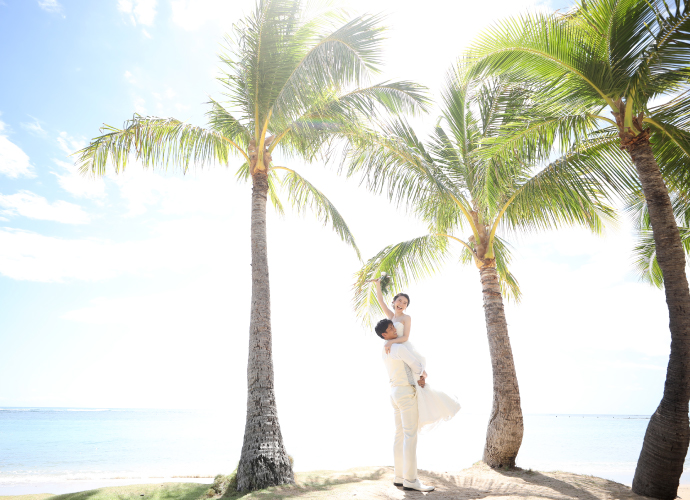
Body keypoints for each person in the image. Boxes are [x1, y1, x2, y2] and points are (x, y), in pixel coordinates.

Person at [371, 279, 461, 433]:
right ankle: (418, 404)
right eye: (399, 300)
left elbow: (405, 337)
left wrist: (390, 342)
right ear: (394, 302)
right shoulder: (391, 316)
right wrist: (377, 284)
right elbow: (380, 301)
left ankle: (426, 399)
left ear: (406, 306)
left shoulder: (406, 318)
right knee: (412, 380)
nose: (401, 304)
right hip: (397, 351)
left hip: (404, 347)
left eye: (405, 303)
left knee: (416, 379)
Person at [375, 318, 435, 492]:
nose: (395, 330)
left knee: (399, 435)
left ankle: (399, 477)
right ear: (384, 334)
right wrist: (423, 374)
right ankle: (410, 479)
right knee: (410, 436)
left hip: (394, 393)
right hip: (405, 393)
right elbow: (416, 365)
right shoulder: (399, 348)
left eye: (393, 326)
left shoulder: (385, 350)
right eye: (391, 328)